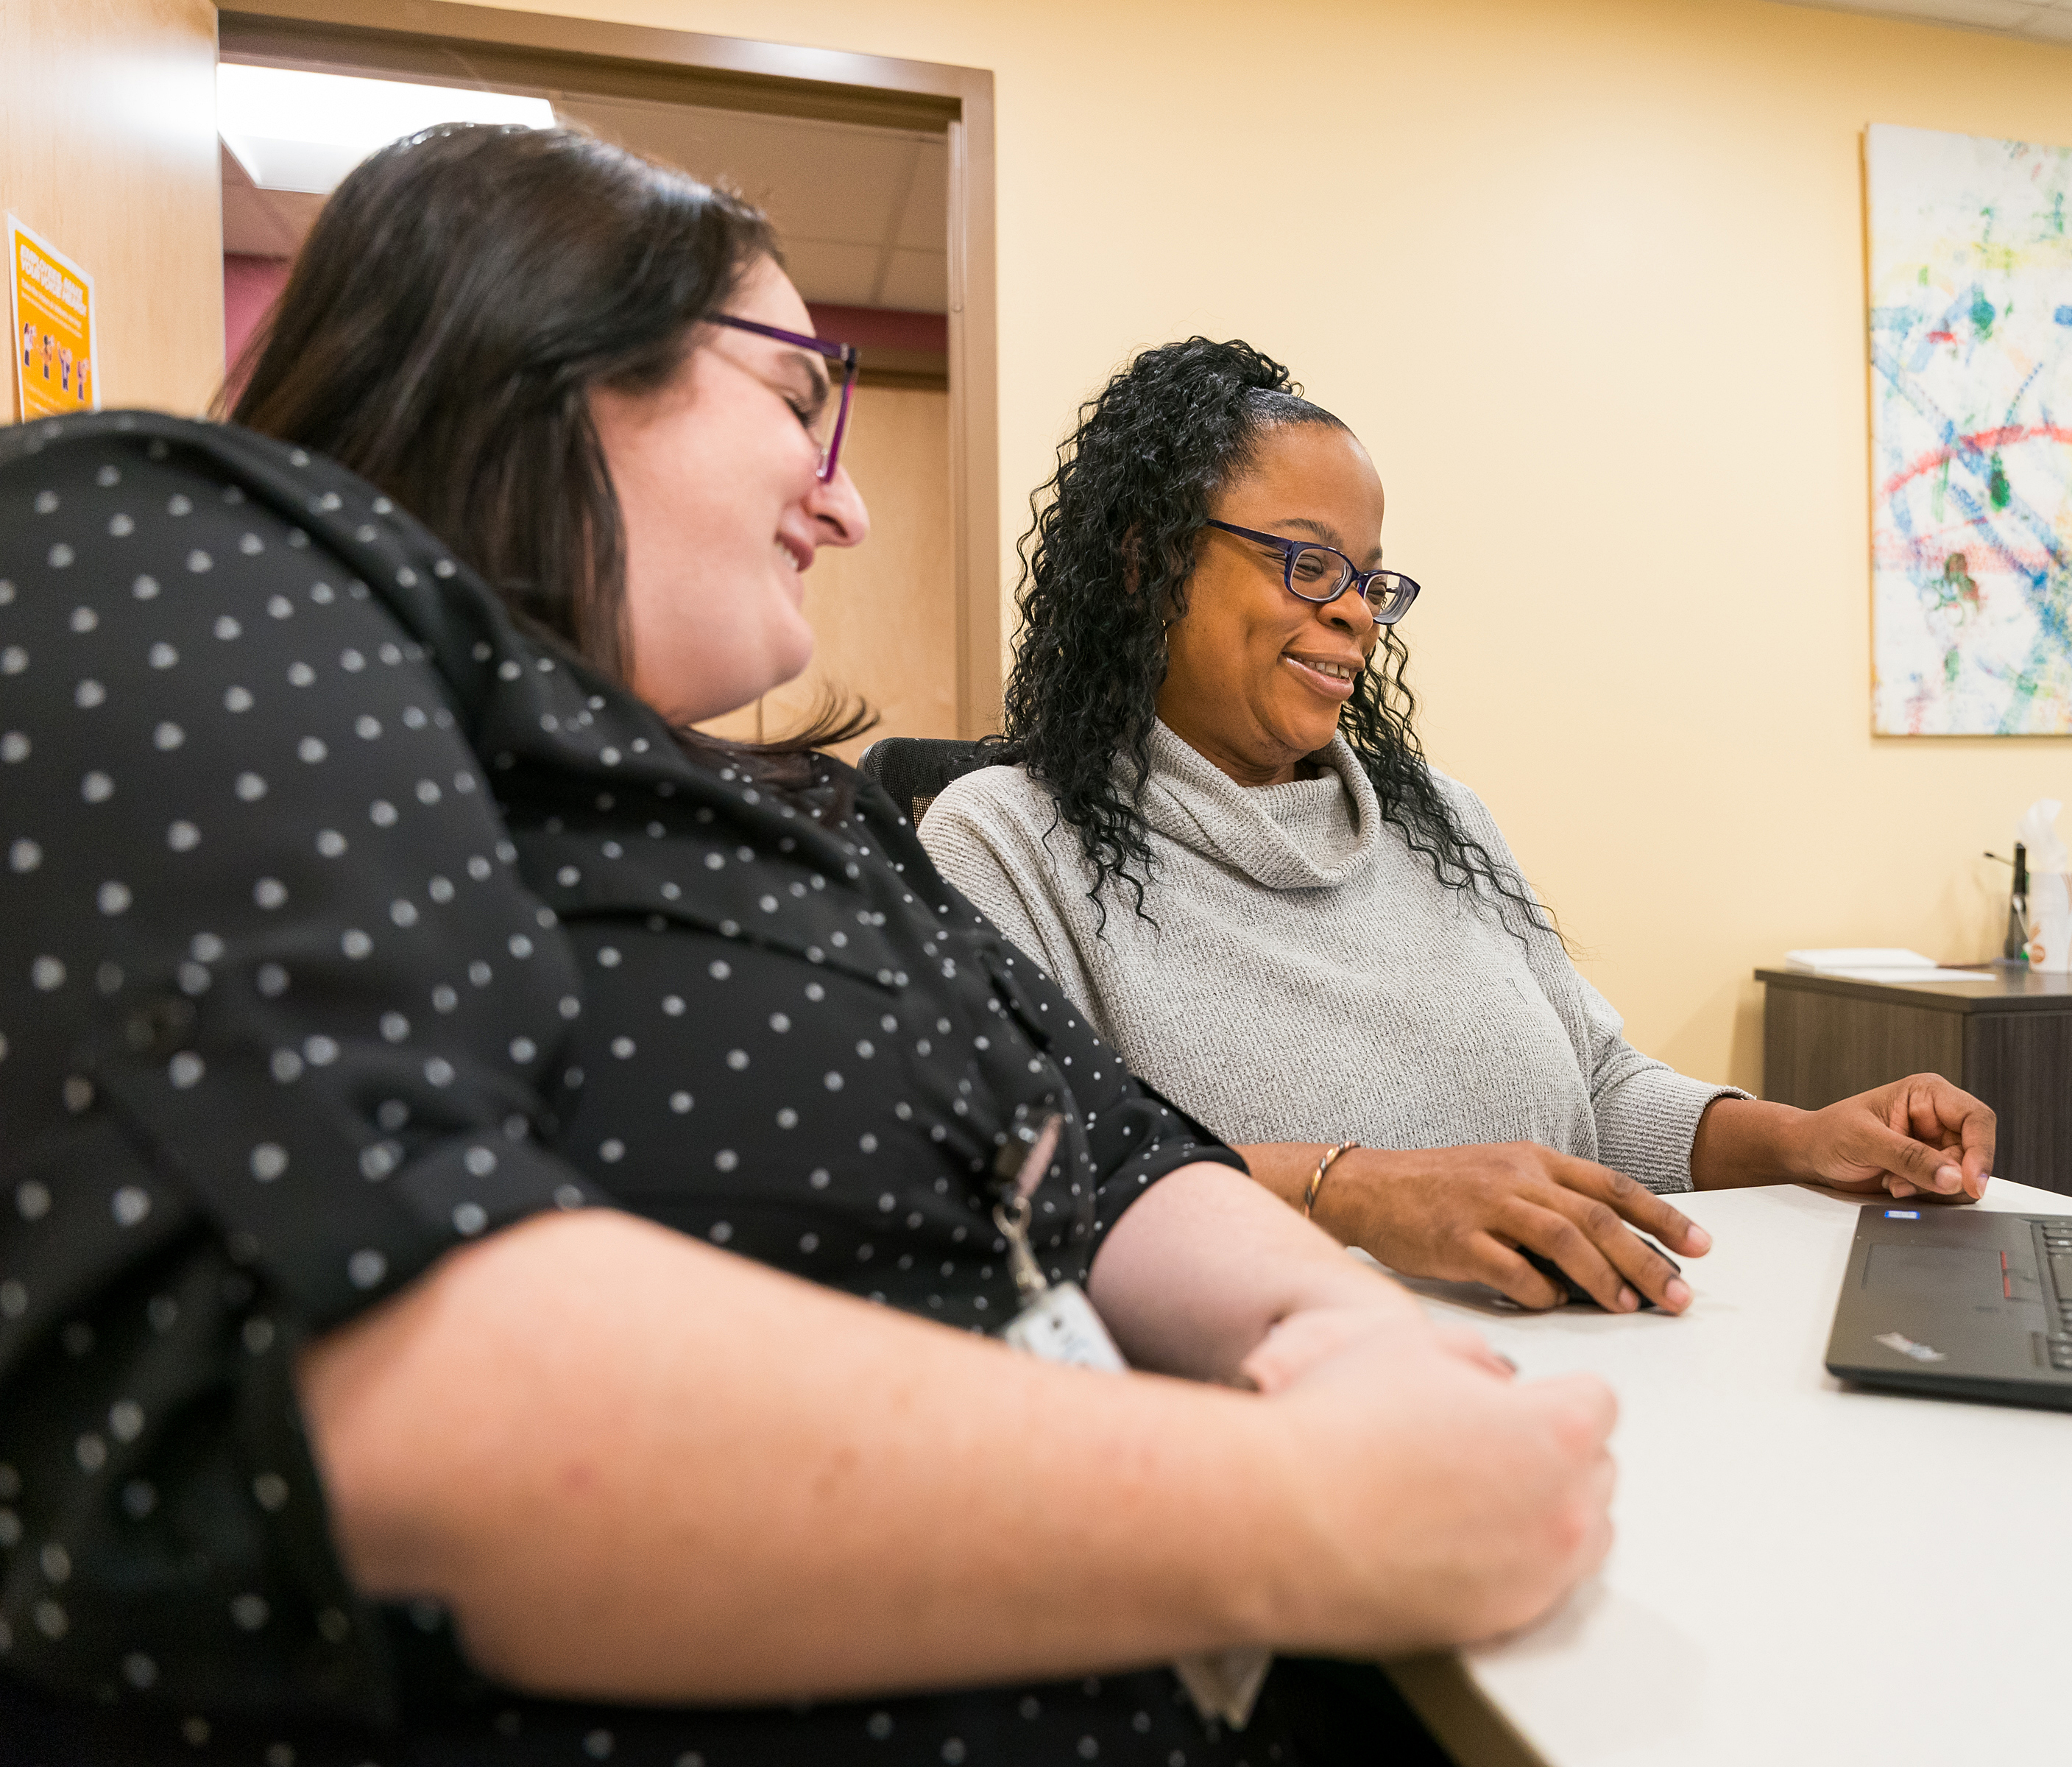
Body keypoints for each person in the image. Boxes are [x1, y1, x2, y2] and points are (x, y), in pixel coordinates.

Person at [0, 128, 1617, 1765]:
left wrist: (1335, 1338)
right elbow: (352, 1362)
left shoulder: (817, 815)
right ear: (538, 342)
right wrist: (1309, 1510)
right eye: (796, 403)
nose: (843, 501)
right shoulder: (152, 537)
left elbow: (1114, 1153)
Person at [920, 339, 1999, 1317]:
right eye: (1305, 563)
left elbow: (1603, 1094)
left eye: (1365, 580)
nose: (1350, 611)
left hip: (1606, 1378)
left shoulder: (1440, 821)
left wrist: (1801, 1141)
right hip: (1289, 1434)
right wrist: (1356, 1193)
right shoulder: (1009, 843)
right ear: (1145, 563)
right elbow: (1024, 1186)